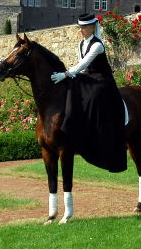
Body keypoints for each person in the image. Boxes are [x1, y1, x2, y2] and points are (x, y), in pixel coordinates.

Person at [50, 13, 127, 172]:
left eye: (84, 27)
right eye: (80, 27)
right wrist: (70, 76)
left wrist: (65, 74)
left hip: (101, 80)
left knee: (92, 95)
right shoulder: (81, 44)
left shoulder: (97, 45)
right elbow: (81, 66)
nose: (82, 30)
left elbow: (85, 63)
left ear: (93, 27)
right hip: (87, 76)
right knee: (71, 87)